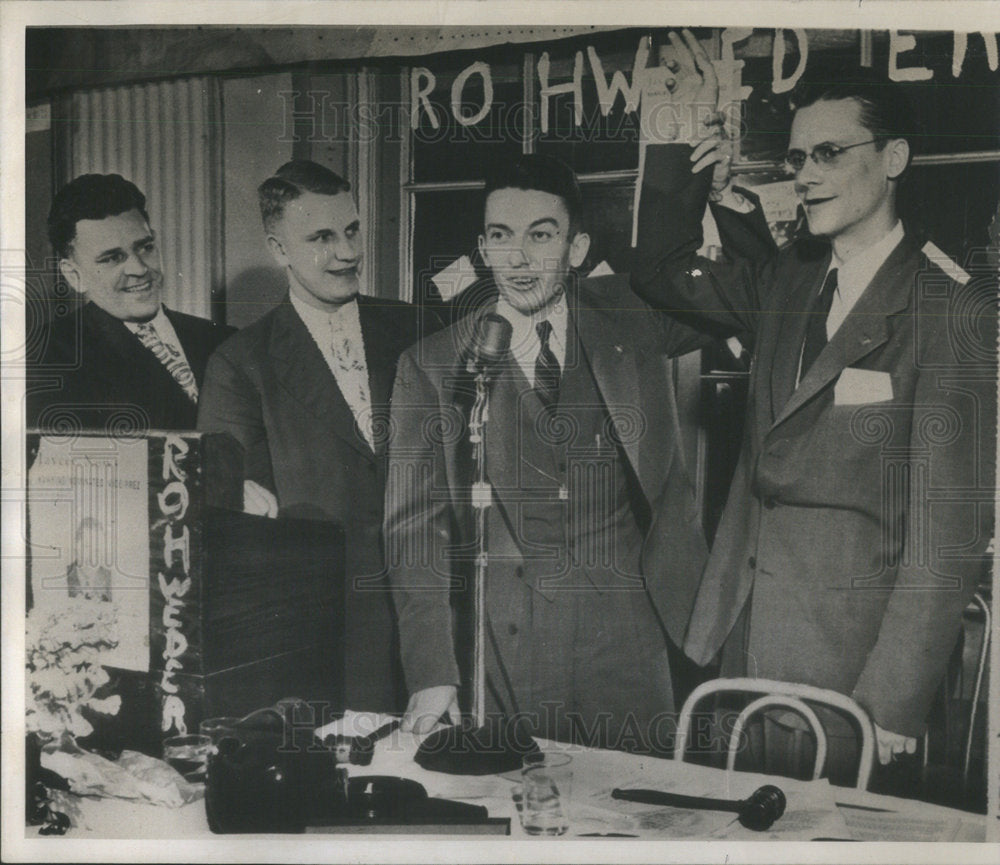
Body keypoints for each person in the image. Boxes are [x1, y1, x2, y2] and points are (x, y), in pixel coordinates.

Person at [632, 31, 996, 772]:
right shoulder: (787, 283)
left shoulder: (950, 310)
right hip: (743, 636)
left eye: (830, 153)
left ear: (893, 159)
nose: (805, 174)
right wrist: (674, 138)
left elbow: (948, 530)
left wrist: (893, 697)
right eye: (797, 158)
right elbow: (661, 268)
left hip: (855, 668)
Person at [385, 153, 726, 750]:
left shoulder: (632, 313)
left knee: (636, 820)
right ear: (483, 249)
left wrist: (724, 194)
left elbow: (745, 295)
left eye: (541, 235)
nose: (518, 259)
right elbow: (414, 531)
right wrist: (435, 671)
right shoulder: (432, 365)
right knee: (520, 815)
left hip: (630, 635)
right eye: (501, 236)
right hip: (504, 644)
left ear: (576, 249)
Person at [197, 160, 438, 712]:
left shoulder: (416, 328)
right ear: (279, 249)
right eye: (322, 237)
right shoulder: (240, 364)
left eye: (351, 230)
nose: (348, 253)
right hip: (332, 632)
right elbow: (231, 506)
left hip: (440, 614)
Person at [27, 173, 234, 434]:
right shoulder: (45, 358)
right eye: (112, 258)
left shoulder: (224, 340)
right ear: (74, 275)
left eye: (145, 247)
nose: (138, 268)